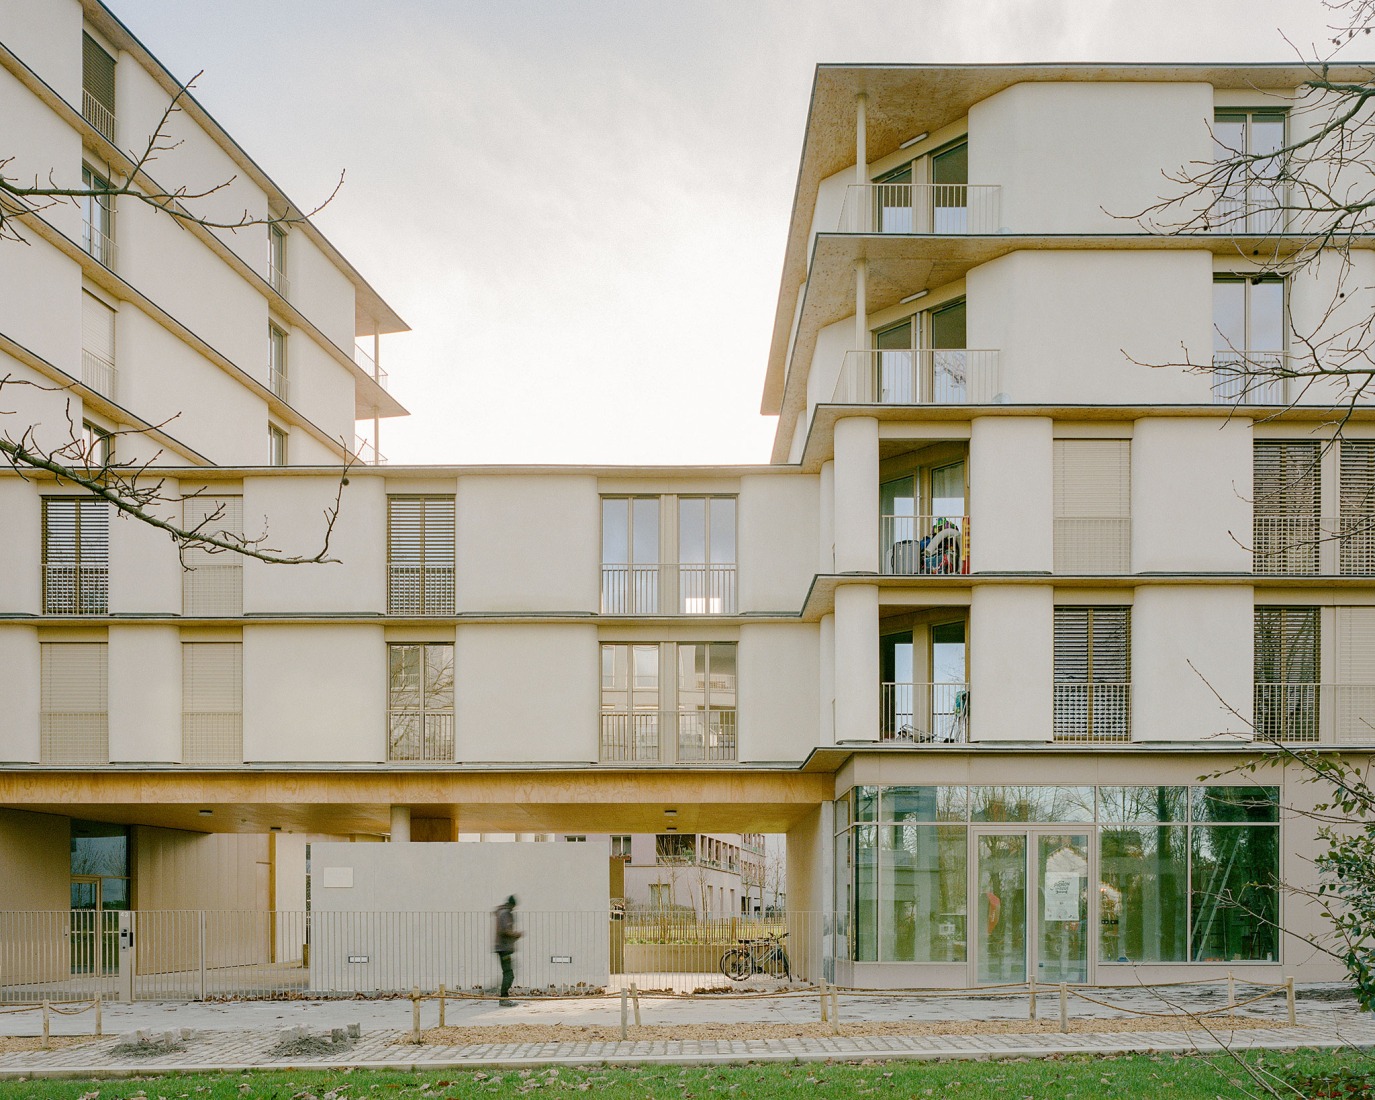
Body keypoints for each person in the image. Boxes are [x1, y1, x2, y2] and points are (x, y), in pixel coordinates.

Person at [493, 895, 522, 1007]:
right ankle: (503, 998)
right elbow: (505, 930)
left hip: (502, 948)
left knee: (508, 972)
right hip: (504, 948)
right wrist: (516, 935)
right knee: (509, 974)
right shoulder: (505, 913)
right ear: (512, 904)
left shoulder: (502, 912)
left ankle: (503, 996)